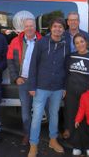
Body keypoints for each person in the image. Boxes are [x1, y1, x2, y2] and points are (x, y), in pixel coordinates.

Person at [27, 17, 68, 157]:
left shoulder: (66, 44)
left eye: (60, 27)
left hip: (57, 88)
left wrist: (64, 87)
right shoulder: (42, 43)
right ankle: (33, 145)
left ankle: (53, 140)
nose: (58, 29)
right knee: (37, 117)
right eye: (55, 26)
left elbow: (66, 67)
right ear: (51, 28)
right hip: (41, 87)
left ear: (63, 29)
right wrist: (32, 86)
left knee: (54, 115)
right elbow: (33, 65)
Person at [7, 15, 42, 146]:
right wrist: (16, 77)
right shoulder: (15, 41)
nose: (29, 28)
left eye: (31, 26)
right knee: (25, 112)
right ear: (23, 27)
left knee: (38, 111)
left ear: (35, 27)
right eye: (27, 26)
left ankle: (36, 135)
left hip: (38, 82)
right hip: (23, 82)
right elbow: (10, 60)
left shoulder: (42, 41)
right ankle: (27, 134)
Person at [62, 11, 89, 139]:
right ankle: (68, 128)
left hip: (82, 74)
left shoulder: (86, 36)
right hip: (66, 71)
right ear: (67, 22)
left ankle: (83, 129)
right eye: (70, 20)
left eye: (75, 20)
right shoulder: (62, 35)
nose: (73, 22)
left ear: (79, 21)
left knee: (83, 104)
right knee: (69, 105)